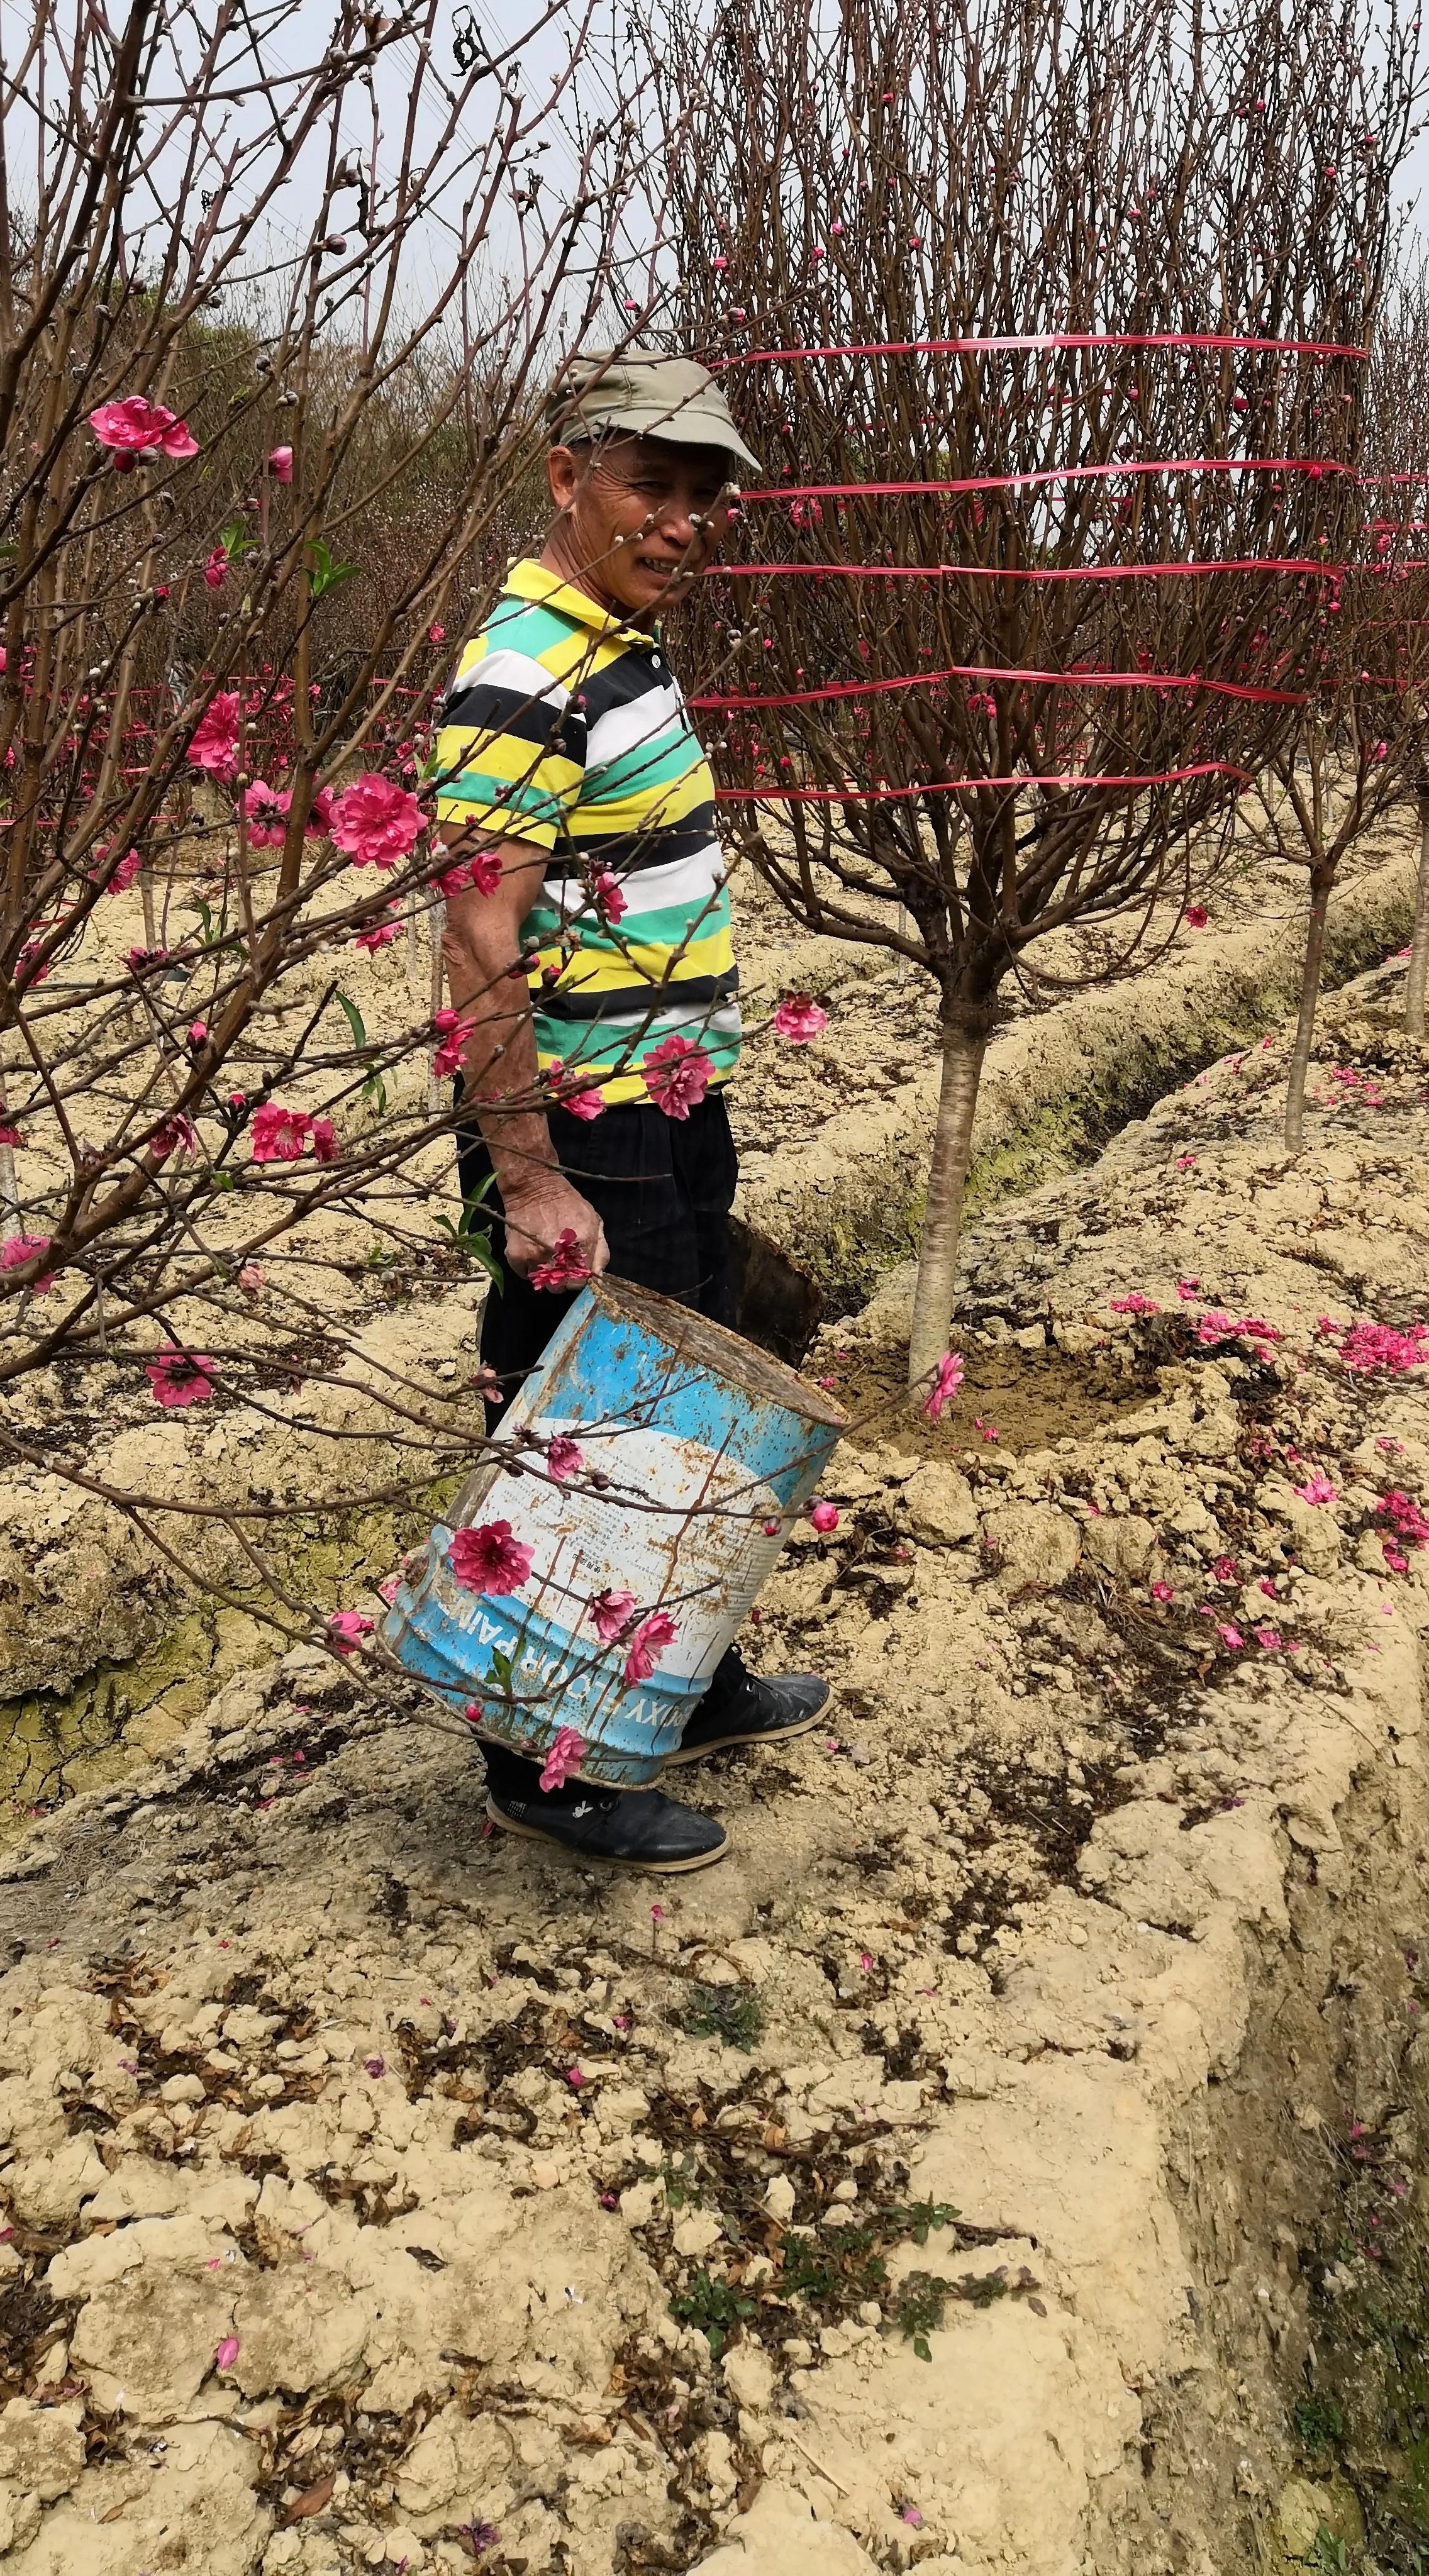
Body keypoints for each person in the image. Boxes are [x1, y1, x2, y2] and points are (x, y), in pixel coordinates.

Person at [431, 346, 829, 1871]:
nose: (679, 522)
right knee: (592, 1423)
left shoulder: (619, 643)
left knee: (690, 1398)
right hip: (579, 1121)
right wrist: (529, 1171)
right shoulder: (524, 670)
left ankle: (686, 1672)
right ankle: (550, 1762)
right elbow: (475, 936)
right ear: (565, 479)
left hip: (668, 1096)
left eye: (700, 498)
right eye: (648, 489)